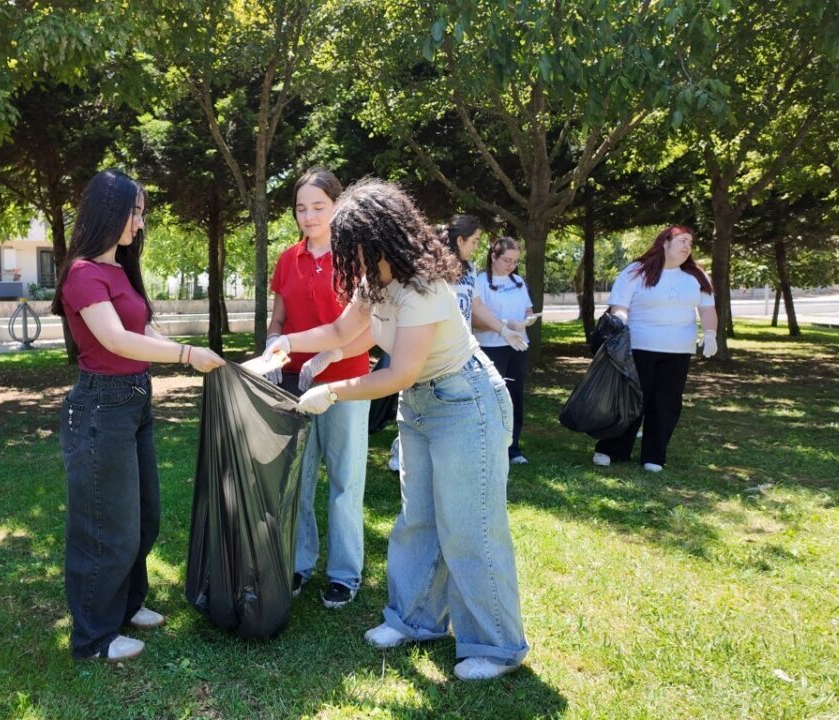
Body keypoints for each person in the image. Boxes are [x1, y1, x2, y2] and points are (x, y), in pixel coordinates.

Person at [259, 180, 528, 681]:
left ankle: (496, 646)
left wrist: (335, 392)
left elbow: (398, 371)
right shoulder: (374, 281)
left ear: (377, 238)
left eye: (349, 245)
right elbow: (342, 332)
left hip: (465, 402)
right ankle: (414, 620)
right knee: (417, 519)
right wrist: (284, 343)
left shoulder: (421, 286)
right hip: (422, 405)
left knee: (468, 527)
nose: (344, 255)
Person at [50, 169, 225, 661]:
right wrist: (189, 357)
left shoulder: (121, 271)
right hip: (100, 404)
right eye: (134, 211)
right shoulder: (83, 272)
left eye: (142, 212)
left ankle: (127, 606)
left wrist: (196, 356)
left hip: (134, 399)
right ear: (109, 212)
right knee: (107, 525)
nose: (139, 223)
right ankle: (93, 637)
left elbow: (147, 332)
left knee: (143, 516)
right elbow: (116, 340)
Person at [264, 168, 370, 609]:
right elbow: (279, 319)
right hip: (293, 387)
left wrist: (334, 354)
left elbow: (374, 328)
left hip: (346, 383)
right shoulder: (287, 259)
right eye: (301, 209)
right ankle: (299, 564)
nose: (308, 217)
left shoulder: (358, 257)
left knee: (345, 480)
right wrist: (272, 344)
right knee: (298, 481)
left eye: (318, 207)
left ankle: (345, 574)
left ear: (337, 206)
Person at [386, 216, 526, 471]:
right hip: (428, 347)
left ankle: (457, 457)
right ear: (459, 239)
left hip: (459, 350)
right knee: (418, 401)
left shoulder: (470, 268)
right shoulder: (431, 265)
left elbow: (476, 305)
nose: (476, 247)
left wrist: (504, 330)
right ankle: (402, 450)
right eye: (473, 241)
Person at [593, 225, 716, 472]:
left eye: (690, 243)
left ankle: (654, 455)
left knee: (666, 403)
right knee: (631, 400)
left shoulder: (696, 276)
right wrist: (620, 320)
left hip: (678, 350)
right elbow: (620, 306)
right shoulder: (637, 271)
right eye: (682, 240)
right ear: (664, 243)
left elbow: (707, 309)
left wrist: (711, 333)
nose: (687, 246)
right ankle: (611, 449)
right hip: (640, 346)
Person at [475, 237, 538, 465]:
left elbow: (527, 309)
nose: (511, 265)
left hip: (518, 345)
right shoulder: (480, 282)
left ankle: (513, 448)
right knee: (492, 397)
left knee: (515, 396)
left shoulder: (518, 281)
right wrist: (504, 324)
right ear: (493, 256)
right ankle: (489, 446)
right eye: (507, 260)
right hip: (491, 347)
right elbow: (474, 320)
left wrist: (527, 321)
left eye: (515, 261)